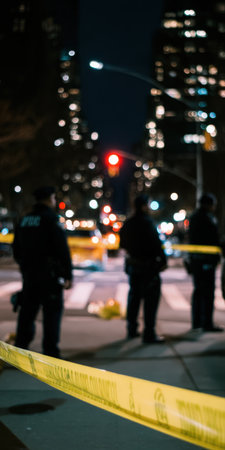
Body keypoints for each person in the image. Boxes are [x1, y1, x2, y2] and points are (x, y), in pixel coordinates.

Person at [12, 185, 73, 357]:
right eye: (54, 198)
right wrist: (67, 274)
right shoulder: (51, 219)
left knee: (27, 312)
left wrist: (25, 265)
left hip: (30, 275)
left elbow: (16, 248)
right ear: (49, 199)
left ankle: (21, 349)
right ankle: (50, 352)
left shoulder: (25, 219)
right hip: (49, 276)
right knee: (52, 314)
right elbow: (62, 249)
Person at [119, 194, 167, 343]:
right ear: (143, 206)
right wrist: (162, 261)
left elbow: (122, 244)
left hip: (134, 266)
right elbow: (156, 245)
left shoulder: (128, 223)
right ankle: (149, 333)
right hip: (148, 267)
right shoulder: (148, 223)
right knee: (150, 302)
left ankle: (131, 329)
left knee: (134, 299)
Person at [188, 192, 223, 332]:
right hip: (206, 261)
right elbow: (213, 238)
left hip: (196, 260)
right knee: (208, 293)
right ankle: (207, 323)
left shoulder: (194, 218)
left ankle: (197, 322)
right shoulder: (208, 218)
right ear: (209, 204)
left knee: (198, 292)